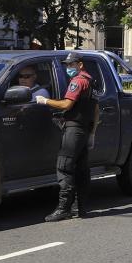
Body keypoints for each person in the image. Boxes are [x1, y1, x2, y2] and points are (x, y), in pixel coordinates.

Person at [35, 52, 99, 221]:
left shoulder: (78, 81)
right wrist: (92, 133)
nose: (68, 68)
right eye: (67, 65)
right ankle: (80, 208)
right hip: (84, 130)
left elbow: (66, 104)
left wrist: (45, 101)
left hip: (74, 129)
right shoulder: (91, 81)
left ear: (80, 64)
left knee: (64, 167)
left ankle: (64, 208)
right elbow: (95, 109)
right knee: (81, 169)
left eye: (71, 65)